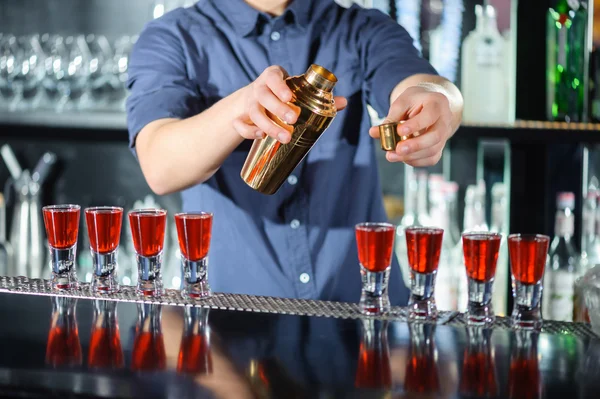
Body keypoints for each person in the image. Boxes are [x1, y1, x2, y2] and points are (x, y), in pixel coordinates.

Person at [126, 0, 463, 305]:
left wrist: (437, 101)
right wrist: (239, 109)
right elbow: (159, 165)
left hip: (364, 320)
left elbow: (427, 84)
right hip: (234, 327)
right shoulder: (174, 37)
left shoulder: (360, 28)